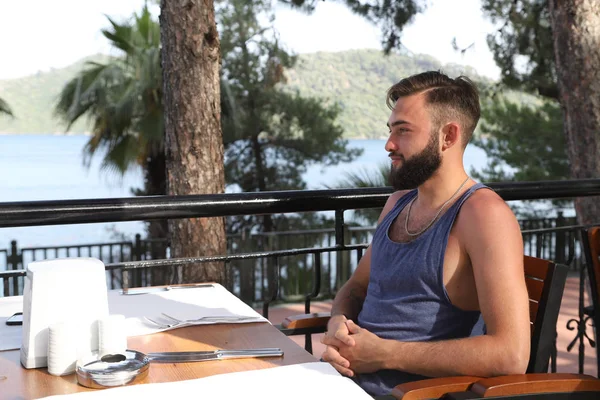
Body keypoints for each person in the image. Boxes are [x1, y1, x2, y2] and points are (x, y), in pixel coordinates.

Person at [320, 71, 530, 397]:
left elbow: (511, 354)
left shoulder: (483, 215)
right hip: (340, 384)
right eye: (390, 131)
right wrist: (338, 322)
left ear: (448, 136)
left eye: (403, 131)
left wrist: (384, 354)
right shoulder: (397, 203)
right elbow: (357, 287)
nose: (389, 145)